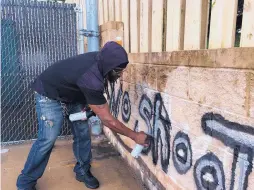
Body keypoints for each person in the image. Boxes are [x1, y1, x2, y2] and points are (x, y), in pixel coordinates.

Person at [16, 41, 149, 190]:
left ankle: (82, 170)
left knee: (82, 132)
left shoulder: (101, 61)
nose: (120, 74)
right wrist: (134, 136)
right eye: (118, 71)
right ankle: (25, 181)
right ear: (109, 67)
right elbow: (107, 120)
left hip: (75, 93)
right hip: (49, 91)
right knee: (48, 138)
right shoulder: (91, 78)